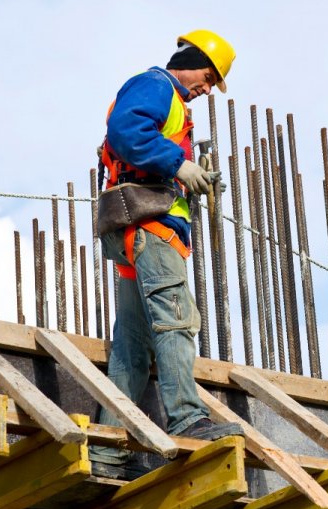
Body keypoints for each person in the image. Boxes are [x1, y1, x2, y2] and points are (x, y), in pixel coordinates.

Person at [90, 30, 243, 480]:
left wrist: (186, 174)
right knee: (177, 321)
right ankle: (187, 417)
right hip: (150, 229)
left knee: (132, 347)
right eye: (209, 76)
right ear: (190, 60)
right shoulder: (157, 85)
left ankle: (109, 448)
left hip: (138, 231)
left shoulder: (173, 103)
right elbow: (126, 131)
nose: (208, 88)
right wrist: (178, 165)